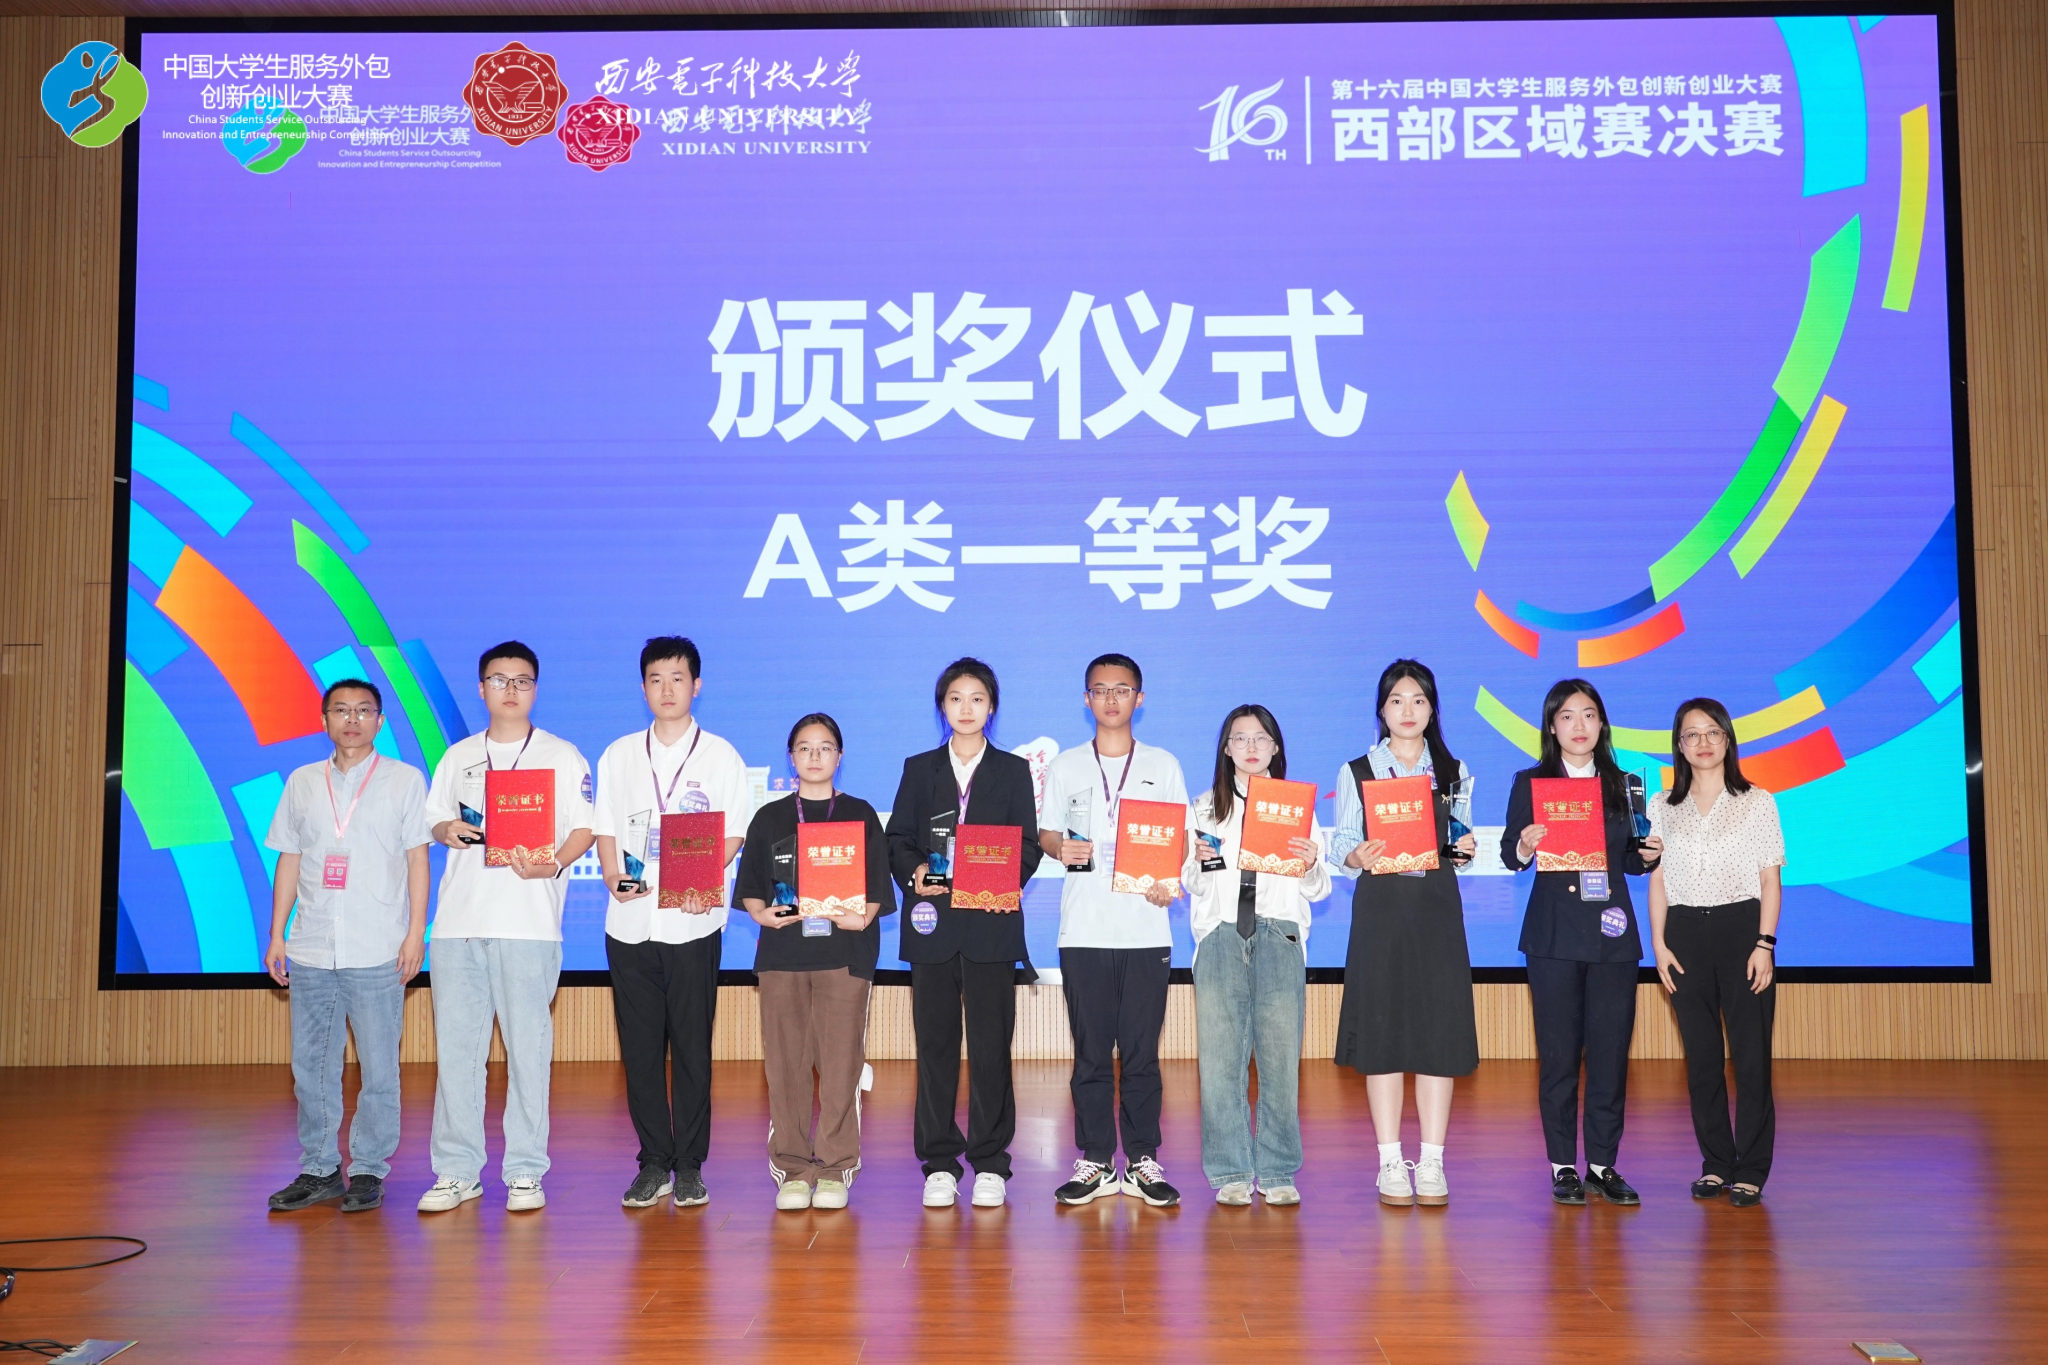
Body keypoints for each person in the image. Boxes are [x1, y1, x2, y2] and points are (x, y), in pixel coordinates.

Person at [417, 641, 594, 1214]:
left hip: (529, 924)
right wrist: (446, 830)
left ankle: (524, 1172)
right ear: (481, 688)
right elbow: (433, 818)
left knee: (528, 1054)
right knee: (457, 1055)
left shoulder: (562, 755)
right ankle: (456, 1171)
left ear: (535, 689)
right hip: (458, 924)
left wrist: (555, 863)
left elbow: (584, 828)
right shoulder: (458, 756)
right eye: (499, 679)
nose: (510, 690)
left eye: (522, 680)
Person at [591, 637, 752, 1211]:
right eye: (656, 679)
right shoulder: (618, 754)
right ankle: (653, 1162)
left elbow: (735, 832)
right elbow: (605, 826)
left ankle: (689, 1165)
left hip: (692, 922)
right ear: (643, 688)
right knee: (639, 1051)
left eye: (678, 678)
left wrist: (699, 877)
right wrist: (612, 875)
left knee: (691, 1048)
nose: (667, 689)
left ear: (696, 686)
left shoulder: (722, 756)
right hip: (630, 922)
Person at [263, 679, 431, 1214]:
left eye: (363, 711)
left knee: (379, 1068)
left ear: (380, 720)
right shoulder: (302, 782)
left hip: (378, 946)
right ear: (324, 719)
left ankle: (368, 1169)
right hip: (312, 946)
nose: (352, 720)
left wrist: (415, 933)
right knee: (311, 1067)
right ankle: (319, 1168)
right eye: (341, 710)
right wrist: (277, 933)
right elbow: (289, 858)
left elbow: (418, 859)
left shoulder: (405, 780)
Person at [886, 657, 1045, 1210]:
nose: (966, 708)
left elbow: (1028, 847)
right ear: (942, 707)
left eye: (977, 698)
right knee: (934, 1050)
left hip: (991, 928)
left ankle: (990, 1162)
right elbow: (897, 839)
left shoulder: (1012, 771)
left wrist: (995, 882)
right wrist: (914, 870)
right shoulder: (919, 769)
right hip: (931, 925)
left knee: (991, 1050)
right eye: (956, 698)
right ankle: (938, 1162)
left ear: (991, 707)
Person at [1500, 679, 1662, 1207]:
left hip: (1612, 934)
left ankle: (1603, 1164)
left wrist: (1649, 854)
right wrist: (1525, 846)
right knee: (1559, 1056)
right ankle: (1563, 1165)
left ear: (1602, 724)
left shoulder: (1625, 784)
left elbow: (1632, 860)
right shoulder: (1531, 782)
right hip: (1553, 935)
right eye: (1567, 716)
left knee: (1611, 1054)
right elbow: (1509, 853)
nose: (1579, 725)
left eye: (1589, 715)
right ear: (1552, 726)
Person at [1037, 653, 1188, 1207]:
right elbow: (1046, 833)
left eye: (1121, 689)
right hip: (1083, 930)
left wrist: (1167, 881)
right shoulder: (1066, 766)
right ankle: (1097, 1160)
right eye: (1099, 690)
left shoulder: (1163, 764)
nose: (1110, 699)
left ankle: (1143, 1159)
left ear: (1138, 699)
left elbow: (1180, 839)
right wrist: (1059, 847)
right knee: (1091, 1055)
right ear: (1086, 699)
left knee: (1143, 1055)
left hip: (1146, 930)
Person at [1328, 660, 1479, 1208]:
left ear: (1432, 709)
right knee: (1383, 1035)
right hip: (1381, 911)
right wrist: (1355, 854)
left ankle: (1432, 1161)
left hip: (1437, 910)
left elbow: (1459, 843)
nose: (1407, 710)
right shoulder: (1357, 770)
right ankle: (1389, 1160)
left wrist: (1464, 850)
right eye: (1396, 700)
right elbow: (1341, 842)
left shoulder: (1455, 770)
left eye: (1418, 700)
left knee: (1439, 1035)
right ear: (1382, 710)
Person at [736, 714, 895, 1211]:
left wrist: (859, 916)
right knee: (785, 1066)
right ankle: (791, 1168)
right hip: (783, 956)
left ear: (839, 757)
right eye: (804, 748)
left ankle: (834, 1166)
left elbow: (876, 887)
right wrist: (763, 914)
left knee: (841, 1065)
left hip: (844, 956)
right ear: (791, 757)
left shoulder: (860, 814)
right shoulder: (769, 817)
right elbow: (751, 889)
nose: (814, 756)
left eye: (825, 747)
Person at [1182, 704, 1329, 1207]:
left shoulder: (1298, 806)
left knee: (1280, 1059)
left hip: (1278, 933)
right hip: (1221, 934)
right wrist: (1199, 862)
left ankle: (1278, 1168)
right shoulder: (1204, 807)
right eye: (1240, 738)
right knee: (1220, 1061)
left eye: (1260, 738)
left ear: (1275, 747)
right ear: (1226, 748)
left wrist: (1309, 864)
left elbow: (1318, 888)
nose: (1250, 747)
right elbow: (1191, 881)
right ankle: (1230, 1170)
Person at [1647, 697, 1785, 1209]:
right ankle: (1716, 1163)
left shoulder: (1757, 801)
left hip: (1742, 930)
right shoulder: (1662, 805)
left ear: (1728, 739)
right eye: (1692, 734)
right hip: (1683, 932)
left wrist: (1764, 944)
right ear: (1679, 746)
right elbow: (1657, 880)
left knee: (1751, 1058)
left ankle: (1751, 1168)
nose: (1703, 742)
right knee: (1702, 1059)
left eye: (1712, 732)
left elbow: (1770, 880)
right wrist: (1659, 944)